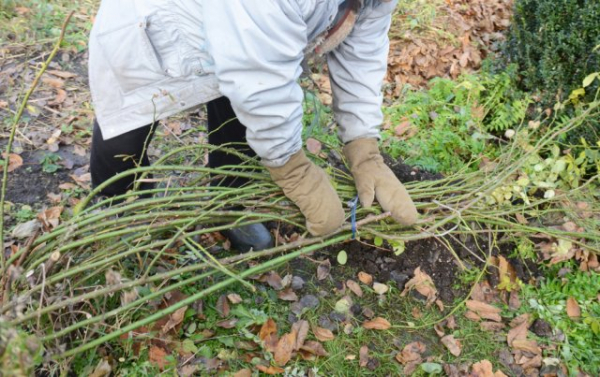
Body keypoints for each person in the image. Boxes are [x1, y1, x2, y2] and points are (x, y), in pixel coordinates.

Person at [88, 0, 418, 252]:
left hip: (243, 33)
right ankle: (117, 213)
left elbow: (362, 47)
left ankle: (227, 205)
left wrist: (363, 146)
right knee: (124, 135)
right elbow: (261, 74)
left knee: (237, 119)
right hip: (154, 23)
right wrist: (292, 169)